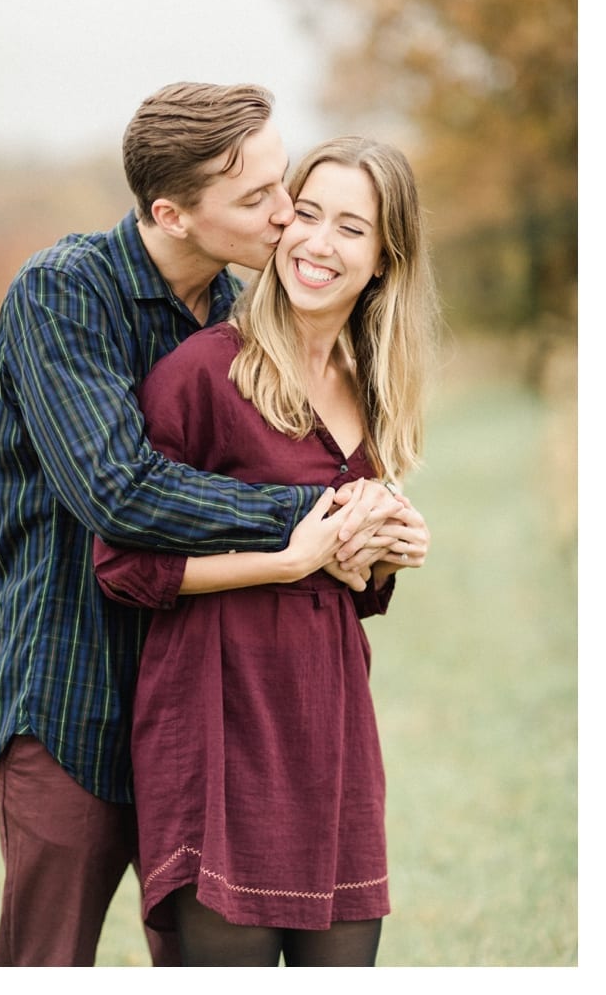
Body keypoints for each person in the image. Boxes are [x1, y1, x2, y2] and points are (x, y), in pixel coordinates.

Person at [0, 83, 405, 967]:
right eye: (259, 199)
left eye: (281, 181)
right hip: (75, 688)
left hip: (211, 703)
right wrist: (316, 514)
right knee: (46, 960)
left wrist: (375, 535)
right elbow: (120, 491)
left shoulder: (239, 313)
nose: (287, 215)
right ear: (173, 214)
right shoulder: (63, 296)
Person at [92, 136, 439, 966]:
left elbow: (343, 578)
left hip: (330, 719)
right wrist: (285, 559)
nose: (318, 243)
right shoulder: (203, 373)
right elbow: (124, 564)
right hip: (215, 713)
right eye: (307, 213)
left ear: (386, 257)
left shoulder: (375, 388)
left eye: (351, 228)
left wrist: (389, 547)